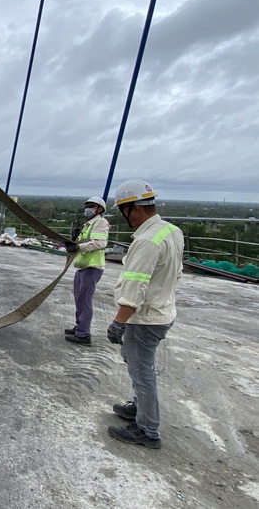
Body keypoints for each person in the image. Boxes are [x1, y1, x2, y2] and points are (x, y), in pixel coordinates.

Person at [106, 180, 184, 449]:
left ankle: (147, 429)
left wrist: (119, 321)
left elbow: (135, 286)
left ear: (132, 209)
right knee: (135, 360)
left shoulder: (147, 241)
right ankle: (140, 409)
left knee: (142, 372)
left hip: (146, 318)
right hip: (162, 311)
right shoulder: (171, 231)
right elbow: (176, 273)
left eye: (122, 211)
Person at [64, 196, 110, 346]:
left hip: (92, 267)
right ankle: (79, 327)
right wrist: (74, 240)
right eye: (87, 206)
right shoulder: (88, 225)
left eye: (91, 206)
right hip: (83, 266)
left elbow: (99, 243)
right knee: (79, 298)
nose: (88, 208)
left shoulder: (100, 222)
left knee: (85, 301)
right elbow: (85, 242)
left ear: (99, 209)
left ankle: (83, 334)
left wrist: (78, 247)